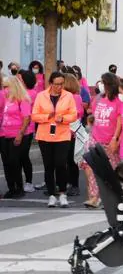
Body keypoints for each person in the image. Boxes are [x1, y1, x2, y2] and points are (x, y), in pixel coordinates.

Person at [32, 71, 78, 208]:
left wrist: (63, 118)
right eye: (56, 84)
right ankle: (52, 194)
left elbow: (74, 115)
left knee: (60, 164)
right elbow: (34, 115)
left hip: (62, 134)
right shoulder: (41, 96)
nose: (59, 86)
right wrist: (47, 116)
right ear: (50, 83)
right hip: (45, 135)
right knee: (48, 166)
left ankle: (62, 193)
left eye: (61, 84)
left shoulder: (68, 96)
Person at [82, 72, 122, 208]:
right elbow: (92, 113)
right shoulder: (99, 99)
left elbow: (120, 122)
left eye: (103, 83)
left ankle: (113, 198)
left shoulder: (118, 102)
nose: (101, 86)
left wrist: (115, 139)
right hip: (95, 138)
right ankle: (94, 197)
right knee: (92, 168)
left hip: (110, 140)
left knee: (112, 171)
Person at [1, 76, 32, 199]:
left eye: (7, 87)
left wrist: (20, 133)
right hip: (5, 134)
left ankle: (19, 188)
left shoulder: (22, 99)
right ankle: (11, 188)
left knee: (15, 162)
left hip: (17, 134)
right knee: (6, 162)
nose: (5, 89)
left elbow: (26, 118)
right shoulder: (7, 99)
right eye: (3, 87)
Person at [63, 74, 84, 197]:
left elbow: (77, 114)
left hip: (71, 130)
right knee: (64, 160)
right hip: (64, 130)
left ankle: (74, 185)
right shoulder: (66, 96)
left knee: (71, 159)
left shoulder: (74, 97)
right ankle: (66, 183)